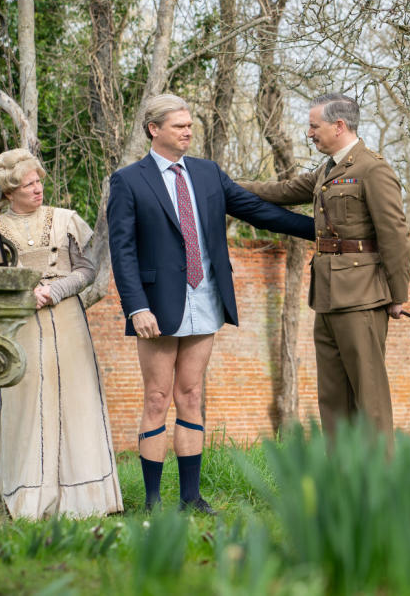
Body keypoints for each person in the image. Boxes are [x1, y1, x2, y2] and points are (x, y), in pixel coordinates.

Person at [108, 93, 314, 513]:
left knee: (190, 393)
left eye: (189, 125)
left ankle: (190, 497)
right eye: (179, 126)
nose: (187, 131)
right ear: (154, 129)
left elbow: (257, 211)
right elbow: (122, 250)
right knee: (156, 397)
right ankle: (151, 501)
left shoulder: (206, 174)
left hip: (205, 297)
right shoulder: (129, 180)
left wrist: (319, 230)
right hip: (156, 306)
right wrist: (136, 306)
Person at [239, 93, 410, 437]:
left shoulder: (372, 169)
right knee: (333, 397)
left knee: (369, 395)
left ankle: (382, 485)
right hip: (327, 295)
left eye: (313, 126)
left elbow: (395, 235)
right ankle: (340, 481)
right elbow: (282, 190)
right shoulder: (326, 170)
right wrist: (225, 188)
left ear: (339, 125)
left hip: (362, 295)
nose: (309, 133)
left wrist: (398, 296)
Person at [0, 148, 123, 518]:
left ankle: (84, 500)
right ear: (10, 190)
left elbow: (87, 270)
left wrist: (54, 291)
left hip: (67, 321)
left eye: (38, 181)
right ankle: (26, 498)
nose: (37, 189)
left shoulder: (65, 219)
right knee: (25, 400)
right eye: (28, 183)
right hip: (23, 322)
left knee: (76, 401)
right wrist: (21, 293)